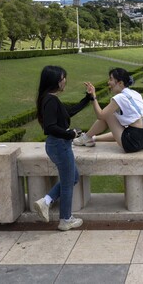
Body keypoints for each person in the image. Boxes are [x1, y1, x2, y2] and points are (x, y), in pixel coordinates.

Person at [33, 65, 92, 231]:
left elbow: (68, 112)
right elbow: (50, 127)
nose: (64, 80)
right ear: (56, 82)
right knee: (67, 184)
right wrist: (70, 134)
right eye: (62, 78)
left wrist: (87, 98)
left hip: (58, 145)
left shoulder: (49, 98)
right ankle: (65, 220)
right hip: (59, 145)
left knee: (72, 178)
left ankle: (46, 201)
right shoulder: (50, 100)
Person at [74, 67, 143, 153]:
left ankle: (85, 138)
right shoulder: (135, 93)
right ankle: (91, 138)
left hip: (132, 142)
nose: (108, 82)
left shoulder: (120, 97)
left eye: (111, 79)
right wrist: (95, 138)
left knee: (109, 115)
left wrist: (93, 97)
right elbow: (120, 131)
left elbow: (100, 116)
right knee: (116, 118)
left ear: (120, 83)